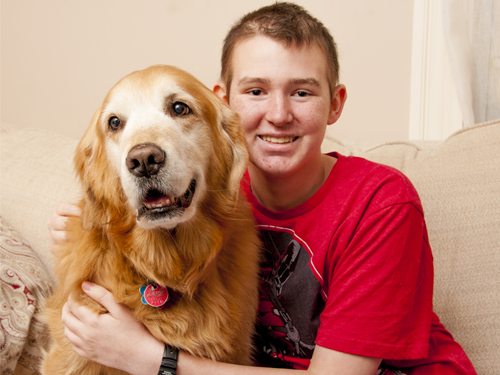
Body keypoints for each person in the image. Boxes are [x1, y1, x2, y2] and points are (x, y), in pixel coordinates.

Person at [47, 3, 477, 374]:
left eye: (302, 92)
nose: (278, 114)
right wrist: (83, 227)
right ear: (223, 103)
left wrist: (154, 359)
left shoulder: (381, 204)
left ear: (335, 103)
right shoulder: (212, 199)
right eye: (256, 90)